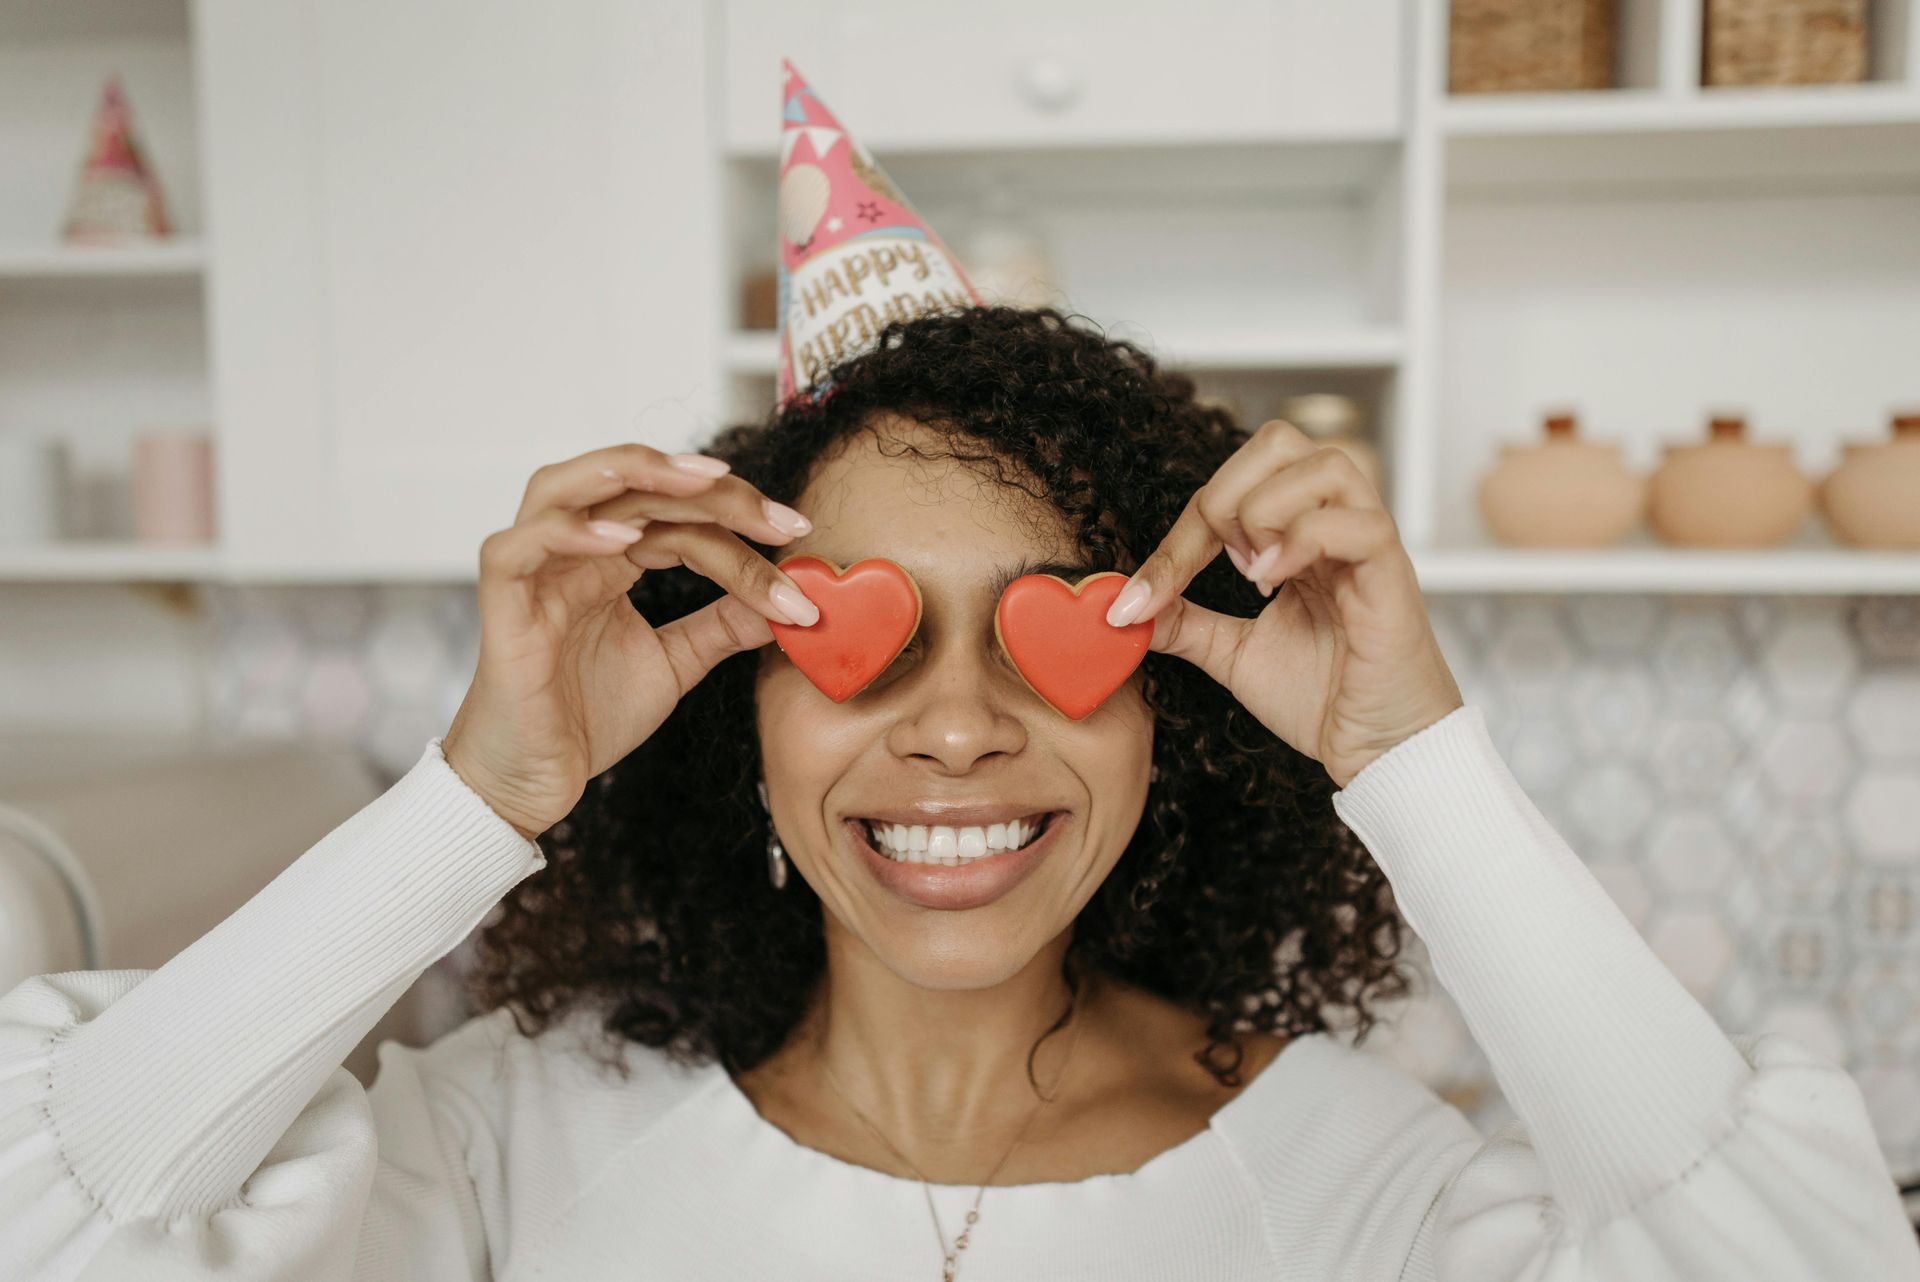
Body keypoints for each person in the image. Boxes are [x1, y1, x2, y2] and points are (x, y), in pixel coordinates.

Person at [2, 305, 1916, 1280]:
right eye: (859, 640)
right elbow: (55, 1222)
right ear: (740, 708)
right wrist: (486, 793)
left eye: (1049, 638)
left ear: (1166, 710)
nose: (956, 728)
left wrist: (1411, 762)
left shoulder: (1366, 1190)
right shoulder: (509, 1149)